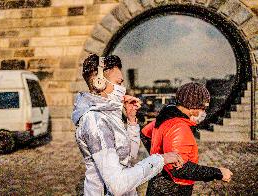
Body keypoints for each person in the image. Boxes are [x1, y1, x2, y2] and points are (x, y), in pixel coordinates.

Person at [72, 54, 184, 196]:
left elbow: (129, 156)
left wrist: (131, 121)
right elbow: (118, 185)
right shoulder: (95, 121)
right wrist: (161, 159)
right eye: (119, 83)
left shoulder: (109, 115)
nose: (123, 88)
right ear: (99, 82)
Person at [141, 82, 233, 195]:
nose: (204, 112)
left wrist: (159, 157)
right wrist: (218, 173)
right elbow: (181, 169)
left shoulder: (164, 118)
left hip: (157, 183)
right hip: (173, 189)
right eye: (203, 108)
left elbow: (145, 134)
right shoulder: (179, 128)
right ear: (193, 107)